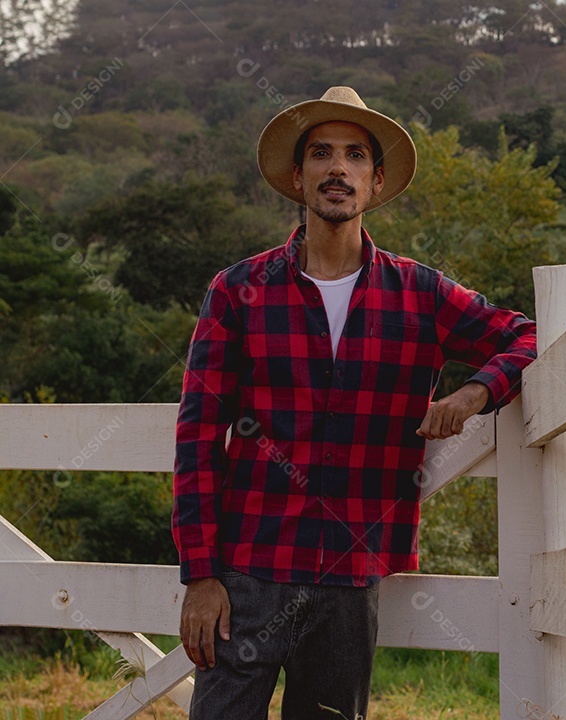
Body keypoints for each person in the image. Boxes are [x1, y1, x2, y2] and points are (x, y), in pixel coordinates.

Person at [172, 86, 537, 719]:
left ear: (375, 180)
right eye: (321, 153)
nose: (337, 168)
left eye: (355, 155)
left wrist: (479, 390)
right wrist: (200, 575)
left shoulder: (419, 293)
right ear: (298, 175)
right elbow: (198, 436)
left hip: (350, 577)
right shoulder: (238, 291)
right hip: (246, 573)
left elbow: (526, 335)